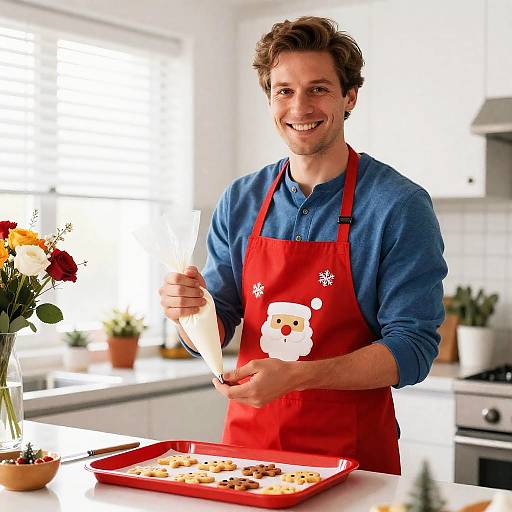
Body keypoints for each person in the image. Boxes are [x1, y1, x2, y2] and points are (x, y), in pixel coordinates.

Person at [159, 16, 447, 475]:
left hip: (354, 462)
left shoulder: (399, 206)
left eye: (318, 89)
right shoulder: (241, 200)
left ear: (349, 96)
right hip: (247, 456)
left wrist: (301, 376)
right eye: (284, 91)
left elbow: (412, 349)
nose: (299, 107)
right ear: (270, 99)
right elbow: (220, 322)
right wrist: (187, 313)